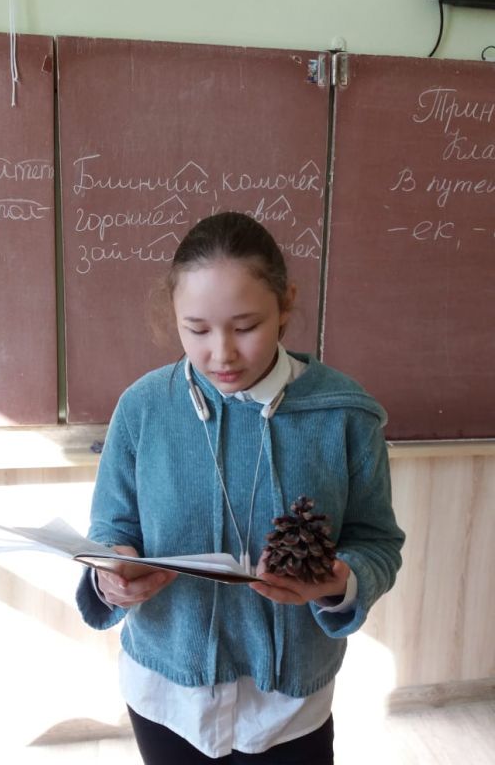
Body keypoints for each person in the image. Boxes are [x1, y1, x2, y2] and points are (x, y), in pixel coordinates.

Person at [76, 211, 405, 764]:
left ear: (285, 306)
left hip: (290, 702)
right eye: (196, 329)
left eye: (246, 326)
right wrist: (111, 576)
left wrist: (339, 582)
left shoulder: (346, 414)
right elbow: (112, 527)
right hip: (166, 693)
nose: (222, 353)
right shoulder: (142, 407)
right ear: (173, 316)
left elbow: (377, 542)